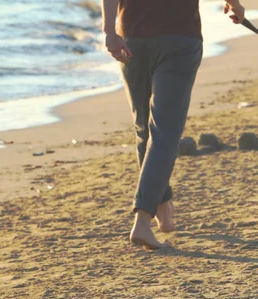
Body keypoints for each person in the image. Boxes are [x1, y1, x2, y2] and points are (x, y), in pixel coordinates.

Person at [101, 0, 245, 249]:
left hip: (134, 37)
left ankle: (163, 206)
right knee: (163, 133)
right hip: (179, 38)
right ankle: (143, 222)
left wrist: (109, 32)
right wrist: (235, 5)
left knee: (144, 129)